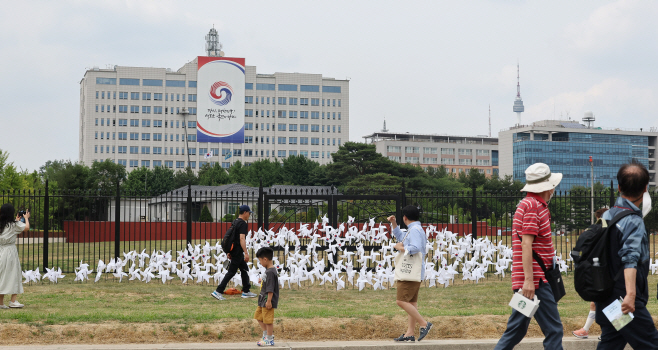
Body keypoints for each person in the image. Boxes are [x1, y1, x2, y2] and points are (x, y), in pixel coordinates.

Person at [494, 163, 563, 350]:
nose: (554, 190)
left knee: (516, 329)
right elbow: (526, 243)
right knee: (554, 330)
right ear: (547, 187)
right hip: (536, 281)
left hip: (528, 280)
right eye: (553, 186)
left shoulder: (528, 204)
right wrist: (529, 280)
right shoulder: (534, 206)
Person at [595, 162, 658, 349]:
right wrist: (631, 295)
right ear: (645, 189)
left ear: (619, 187)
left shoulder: (607, 216)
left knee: (612, 341)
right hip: (625, 300)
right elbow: (630, 258)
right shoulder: (634, 221)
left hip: (607, 293)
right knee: (651, 344)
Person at [387, 205, 433, 342]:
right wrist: (394, 224)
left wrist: (400, 247)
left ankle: (424, 324)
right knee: (411, 303)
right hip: (414, 271)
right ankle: (410, 333)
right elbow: (401, 236)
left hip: (410, 270)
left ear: (405, 217)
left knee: (401, 301)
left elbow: (415, 247)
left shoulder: (415, 230)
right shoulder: (414, 229)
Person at [572, 207, 608, 339]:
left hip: (599, 274)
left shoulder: (599, 232)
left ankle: (609, 332)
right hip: (602, 274)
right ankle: (606, 332)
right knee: (597, 303)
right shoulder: (608, 232)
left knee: (602, 303)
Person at [211, 205, 257, 300]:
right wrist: (246, 252)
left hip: (235, 251)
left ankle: (246, 291)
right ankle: (218, 291)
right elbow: (241, 238)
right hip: (237, 252)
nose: (249, 215)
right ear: (245, 212)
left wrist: (230, 251)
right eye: (249, 213)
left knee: (244, 269)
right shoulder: (243, 223)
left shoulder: (235, 222)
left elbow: (232, 238)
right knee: (231, 272)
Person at [0, 204, 30, 309]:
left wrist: (16, 220)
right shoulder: (13, 225)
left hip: (1, 250)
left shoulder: (2, 224)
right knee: (14, 274)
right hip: (10, 251)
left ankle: (1, 303)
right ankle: (13, 301)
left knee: (2, 276)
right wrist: (26, 218)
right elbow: (26, 228)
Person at [254, 247, 279, 347]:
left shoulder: (270, 272)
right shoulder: (268, 271)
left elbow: (270, 288)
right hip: (262, 299)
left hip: (267, 300)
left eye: (260, 260)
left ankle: (269, 339)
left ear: (265, 259)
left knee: (268, 320)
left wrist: (269, 301)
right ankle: (265, 335)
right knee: (258, 316)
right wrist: (262, 280)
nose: (260, 263)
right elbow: (267, 282)